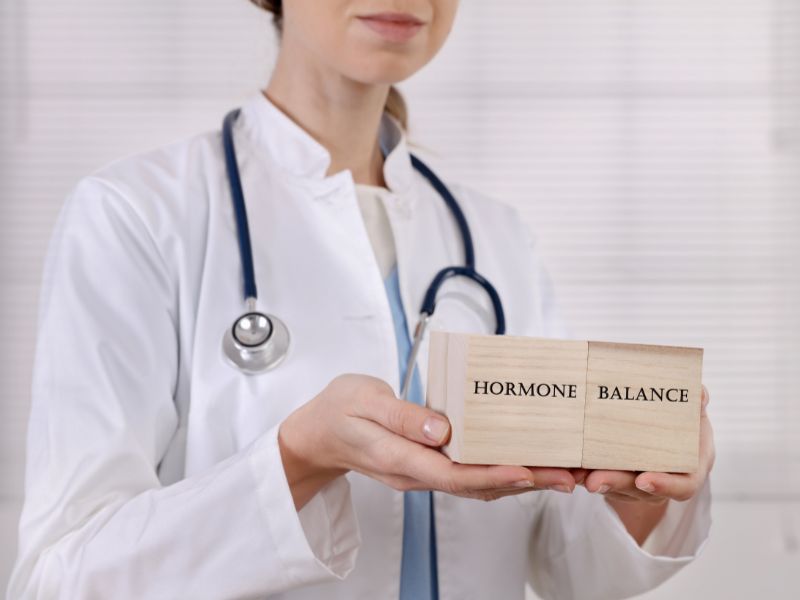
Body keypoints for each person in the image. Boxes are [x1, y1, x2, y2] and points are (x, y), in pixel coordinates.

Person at [7, 1, 714, 598]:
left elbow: (568, 567)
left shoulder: (496, 237)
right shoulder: (137, 215)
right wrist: (299, 457)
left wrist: (633, 488)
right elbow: (60, 576)